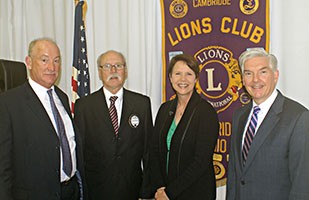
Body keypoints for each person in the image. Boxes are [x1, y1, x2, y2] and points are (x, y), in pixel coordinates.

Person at [0, 38, 86, 200]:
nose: (52, 67)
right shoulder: (8, 103)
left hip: (71, 191)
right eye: (44, 60)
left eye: (56, 61)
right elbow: (3, 166)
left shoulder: (63, 97)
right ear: (29, 62)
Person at [226, 48, 309, 200]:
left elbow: (302, 184)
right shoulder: (239, 116)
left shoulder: (298, 117)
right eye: (248, 73)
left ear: (275, 76)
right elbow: (234, 173)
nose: (255, 80)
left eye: (262, 72)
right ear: (243, 80)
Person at [74, 50, 153, 199]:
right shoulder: (84, 106)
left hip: (131, 188)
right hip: (96, 189)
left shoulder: (142, 104)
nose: (113, 70)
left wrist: (147, 189)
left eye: (118, 65)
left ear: (126, 71)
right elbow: (80, 153)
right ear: (99, 72)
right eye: (107, 66)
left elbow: (148, 150)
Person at [149, 54, 219, 200]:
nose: (183, 79)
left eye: (189, 74)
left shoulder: (206, 112)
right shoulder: (164, 109)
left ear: (196, 79)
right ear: (170, 77)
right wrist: (160, 187)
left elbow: (200, 162)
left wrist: (170, 193)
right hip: (164, 192)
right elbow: (154, 151)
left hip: (195, 192)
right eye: (178, 74)